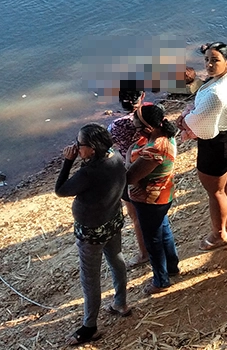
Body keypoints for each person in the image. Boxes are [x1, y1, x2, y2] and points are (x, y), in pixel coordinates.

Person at [56, 124, 129, 346]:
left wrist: (68, 162)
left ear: (94, 148)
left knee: (90, 279)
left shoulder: (89, 172)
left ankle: (90, 327)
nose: (76, 147)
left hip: (92, 231)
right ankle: (121, 303)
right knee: (116, 259)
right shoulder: (115, 156)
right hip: (112, 220)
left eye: (80, 145)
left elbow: (61, 190)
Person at [179, 42, 227, 250]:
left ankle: (219, 234)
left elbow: (202, 127)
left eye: (215, 60)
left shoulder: (214, 93)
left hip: (216, 145)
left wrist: (184, 119)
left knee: (216, 192)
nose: (209, 64)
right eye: (206, 59)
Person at [126, 104, 179, 295]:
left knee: (153, 241)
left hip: (150, 200)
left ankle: (161, 280)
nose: (136, 132)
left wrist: (128, 155)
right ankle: (172, 267)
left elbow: (130, 177)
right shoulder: (167, 136)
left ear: (148, 128)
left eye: (138, 128)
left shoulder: (154, 149)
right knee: (164, 231)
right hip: (164, 194)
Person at [108, 81, 149, 269]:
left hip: (131, 171)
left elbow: (107, 147)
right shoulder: (151, 116)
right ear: (142, 97)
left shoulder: (116, 126)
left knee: (136, 216)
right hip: (151, 166)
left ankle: (144, 253)